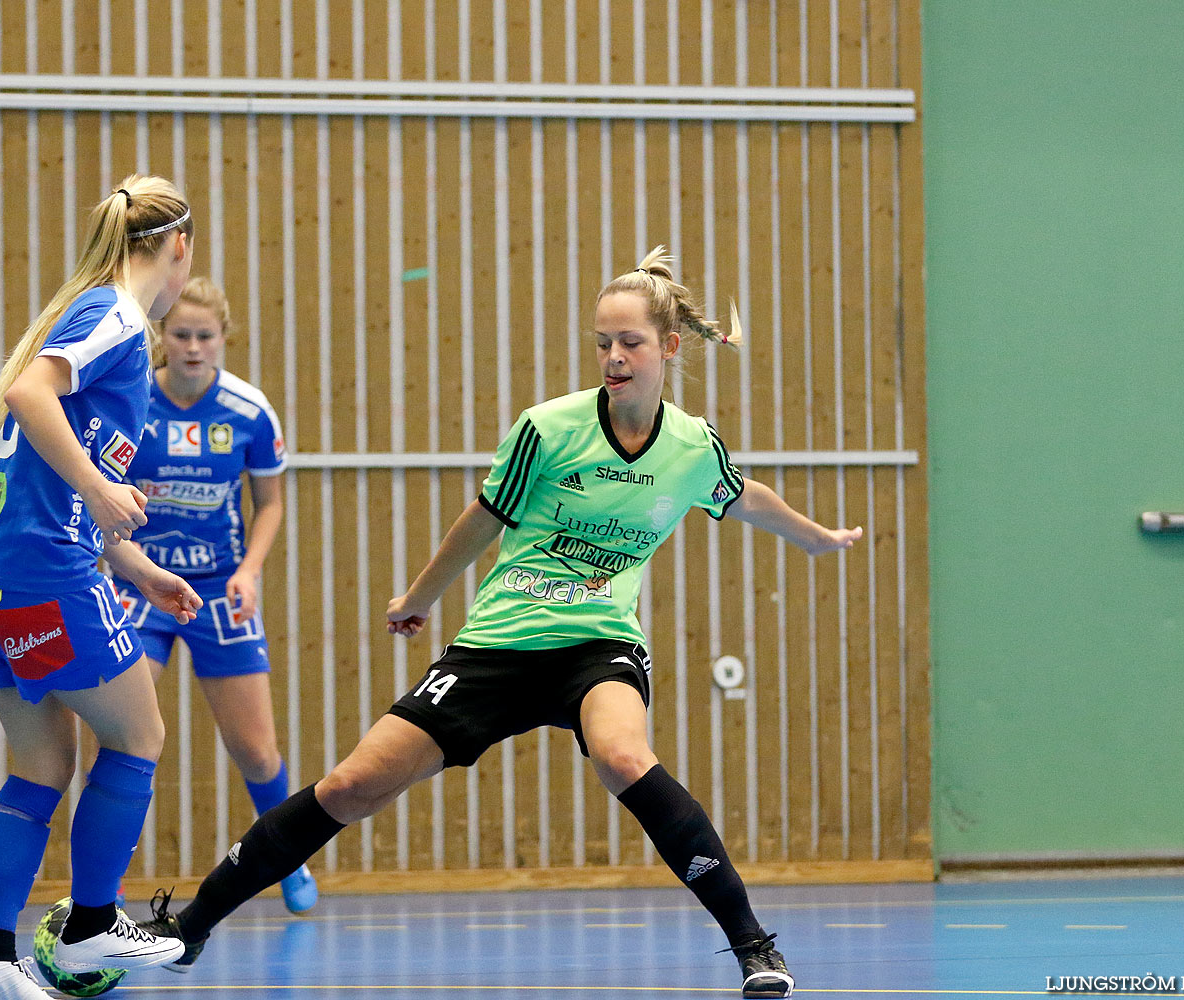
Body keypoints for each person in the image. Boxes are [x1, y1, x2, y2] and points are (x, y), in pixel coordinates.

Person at [138, 247, 863, 1000]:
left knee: (621, 755)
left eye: (630, 343)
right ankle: (191, 928)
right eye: (602, 343)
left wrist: (813, 535)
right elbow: (481, 522)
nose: (613, 358)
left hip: (599, 643)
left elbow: (744, 496)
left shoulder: (690, 446)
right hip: (500, 644)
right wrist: (418, 598)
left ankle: (753, 946)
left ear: (669, 348)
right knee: (353, 783)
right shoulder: (548, 429)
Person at [0, 176, 200, 1000]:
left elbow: (54, 492)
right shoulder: (117, 314)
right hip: (43, 582)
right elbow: (29, 394)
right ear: (178, 249)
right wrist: (97, 487)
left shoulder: (88, 314)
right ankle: (91, 927)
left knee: (41, 765)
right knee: (138, 736)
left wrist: (142, 568)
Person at [112, 275, 317, 913]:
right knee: (122, 739)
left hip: (217, 591)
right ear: (160, 338)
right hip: (140, 585)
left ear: (224, 338)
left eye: (206, 336)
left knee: (256, 750)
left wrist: (249, 571)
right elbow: (95, 497)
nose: (194, 348)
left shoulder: (249, 412)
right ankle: (103, 891)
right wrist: (120, 570)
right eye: (181, 334)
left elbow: (271, 502)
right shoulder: (129, 403)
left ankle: (286, 862)